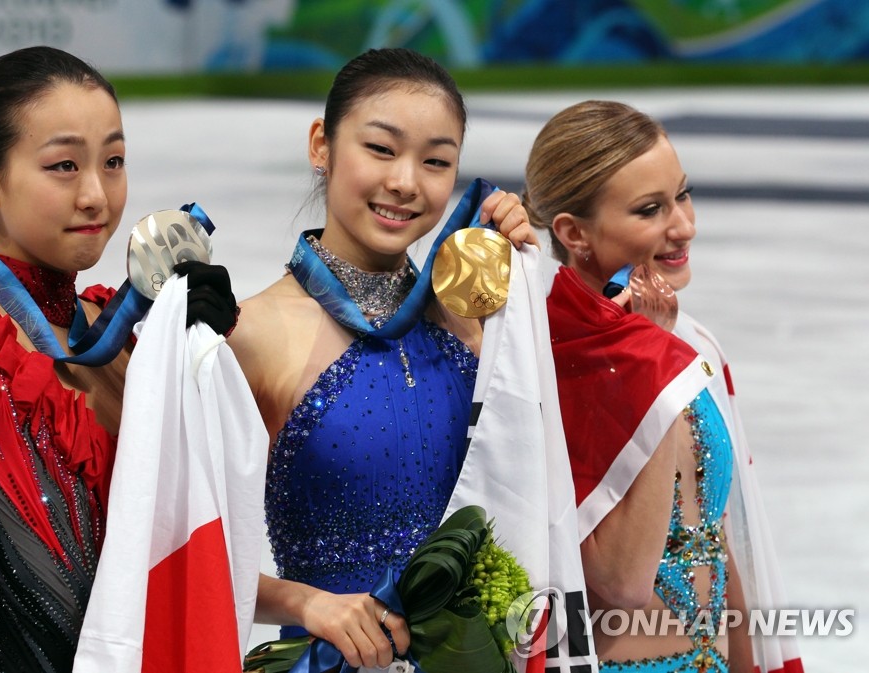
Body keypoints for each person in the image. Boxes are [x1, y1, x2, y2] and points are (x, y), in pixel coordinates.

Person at [0, 46, 236, 672]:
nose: (97, 196)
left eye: (113, 162)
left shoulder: (133, 335)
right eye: (64, 166)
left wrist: (209, 355)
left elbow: (195, 545)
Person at [228, 48, 535, 670]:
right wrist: (309, 604)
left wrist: (529, 278)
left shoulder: (473, 321)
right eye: (381, 149)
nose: (406, 182)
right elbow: (180, 545)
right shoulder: (250, 332)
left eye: (436, 161)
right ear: (322, 145)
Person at [516, 100, 802, 672]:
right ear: (574, 233)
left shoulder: (693, 345)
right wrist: (650, 362)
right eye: (651, 210)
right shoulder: (544, 363)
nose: (684, 226)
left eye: (683, 195)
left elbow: (721, 540)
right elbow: (621, 581)